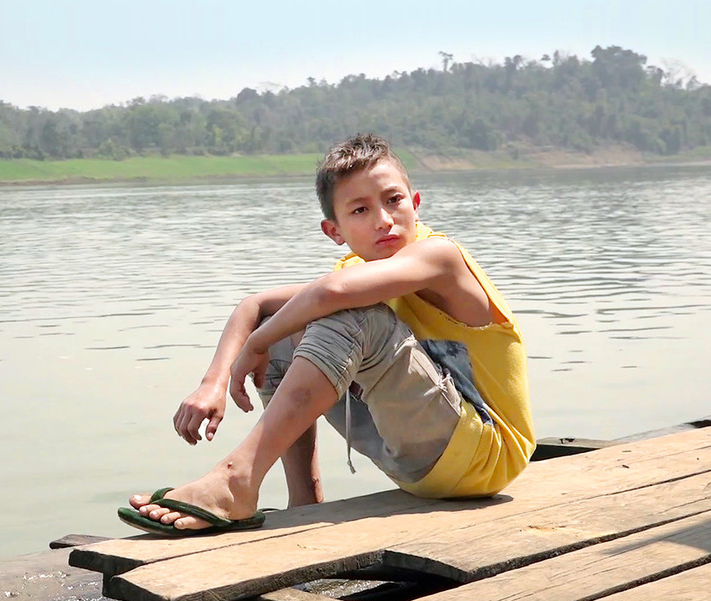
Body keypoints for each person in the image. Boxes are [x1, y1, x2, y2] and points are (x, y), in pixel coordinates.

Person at [118, 133, 535, 536]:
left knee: (344, 314)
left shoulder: (440, 257)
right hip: (417, 465)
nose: (384, 220)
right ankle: (303, 500)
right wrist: (214, 382)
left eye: (394, 201)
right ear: (334, 231)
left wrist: (255, 345)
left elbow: (330, 293)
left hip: (484, 457)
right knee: (288, 323)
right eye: (360, 211)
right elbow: (256, 305)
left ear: (416, 204)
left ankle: (236, 478)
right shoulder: (356, 271)